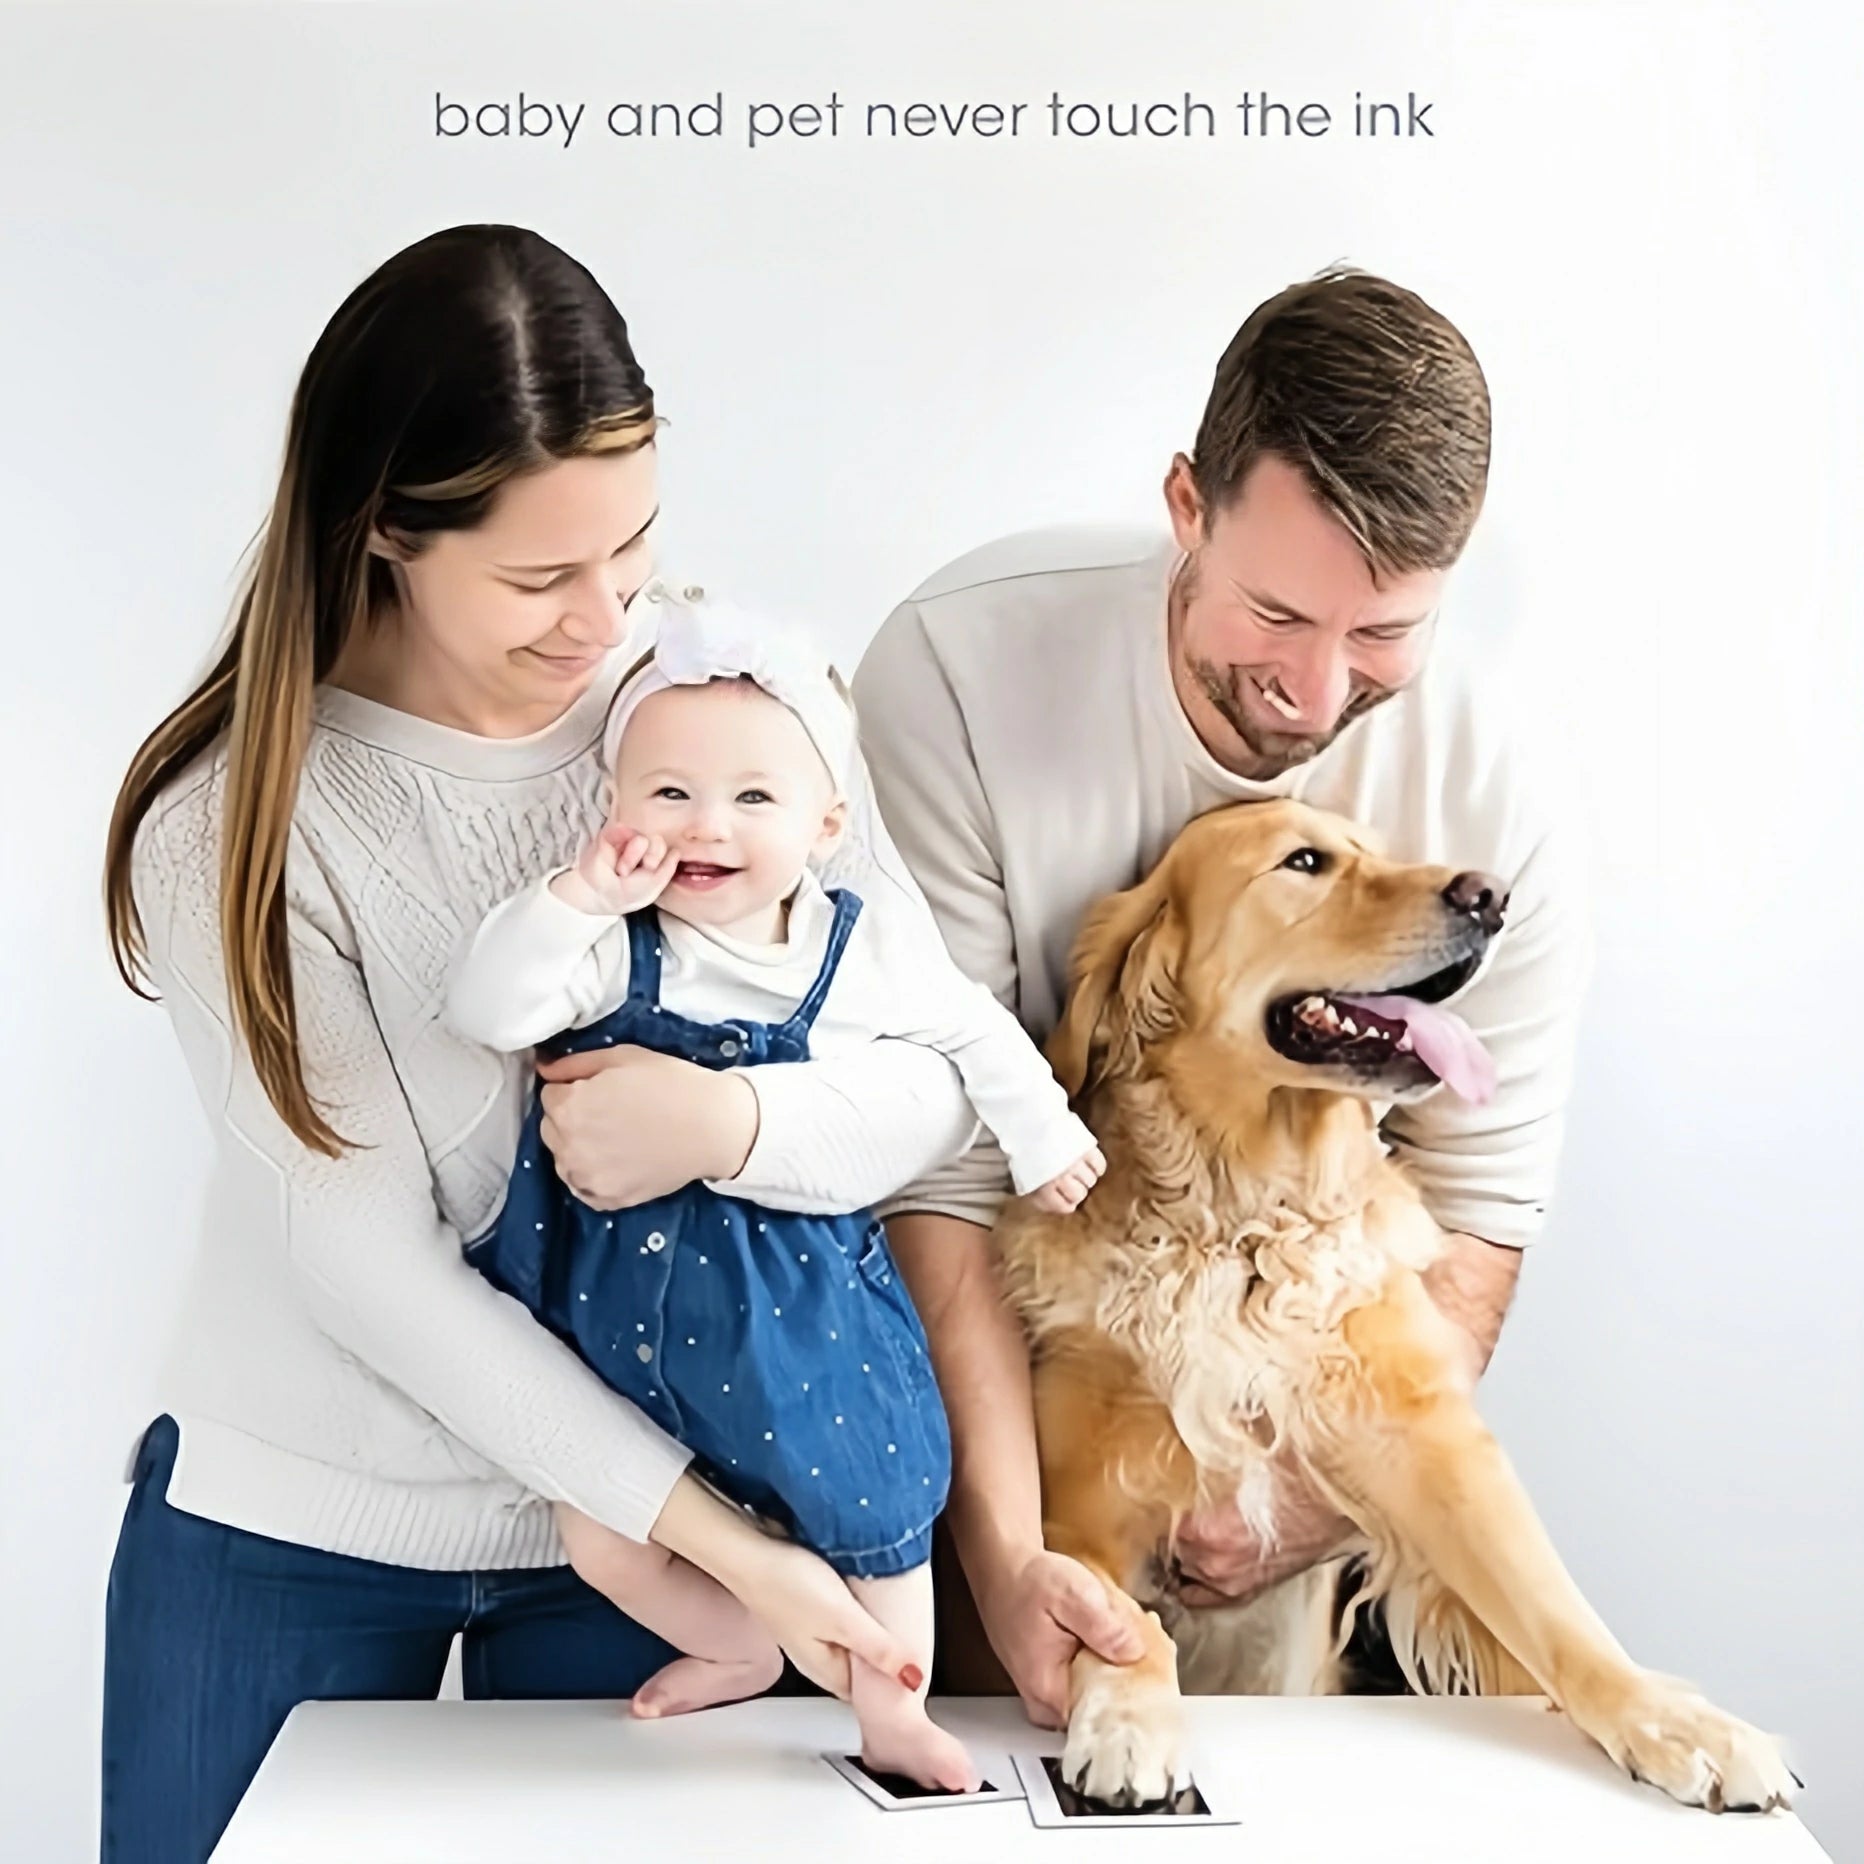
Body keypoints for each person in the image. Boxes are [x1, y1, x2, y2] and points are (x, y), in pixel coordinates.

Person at [99, 224, 1138, 1864]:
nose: (605, 625)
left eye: (632, 554)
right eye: (538, 578)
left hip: (672, 1530)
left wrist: (719, 1127)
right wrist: (734, 1547)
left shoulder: (711, 698)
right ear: (383, 528)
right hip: (293, 1521)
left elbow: (920, 1065)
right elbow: (366, 1265)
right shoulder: (234, 816)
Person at [853, 267, 1592, 1725]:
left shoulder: (1494, 792)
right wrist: (1011, 1559)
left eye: (1384, 637)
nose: (1318, 698)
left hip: (1302, 1460)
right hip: (1004, 1415)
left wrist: (1290, 1510)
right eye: (1275, 614)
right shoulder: (957, 672)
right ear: (1186, 505)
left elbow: (1484, 1208)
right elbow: (928, 1174)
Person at [443, 596, 1103, 1789]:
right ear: (615, 808)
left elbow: (975, 1036)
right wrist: (570, 902)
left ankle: (892, 1707)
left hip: (804, 1321)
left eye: (754, 798)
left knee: (877, 1509)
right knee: (598, 1527)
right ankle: (738, 1643)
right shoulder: (611, 940)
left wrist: (1041, 1135)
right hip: (622, 1330)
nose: (709, 824)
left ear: (826, 823)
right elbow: (486, 1011)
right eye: (670, 792)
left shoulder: (863, 945)